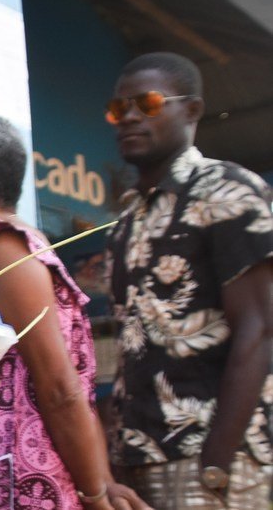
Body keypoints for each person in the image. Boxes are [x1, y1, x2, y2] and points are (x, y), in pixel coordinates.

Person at [0, 112, 150, 509]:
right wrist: (102, 480)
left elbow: (61, 388)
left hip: (27, 486)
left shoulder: (7, 253)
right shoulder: (11, 249)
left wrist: (96, 494)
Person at [104, 52, 273, 508]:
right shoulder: (125, 223)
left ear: (192, 110)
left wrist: (217, 459)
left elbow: (260, 329)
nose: (130, 117)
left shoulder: (226, 191)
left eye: (148, 103)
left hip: (211, 456)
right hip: (136, 459)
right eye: (119, 109)